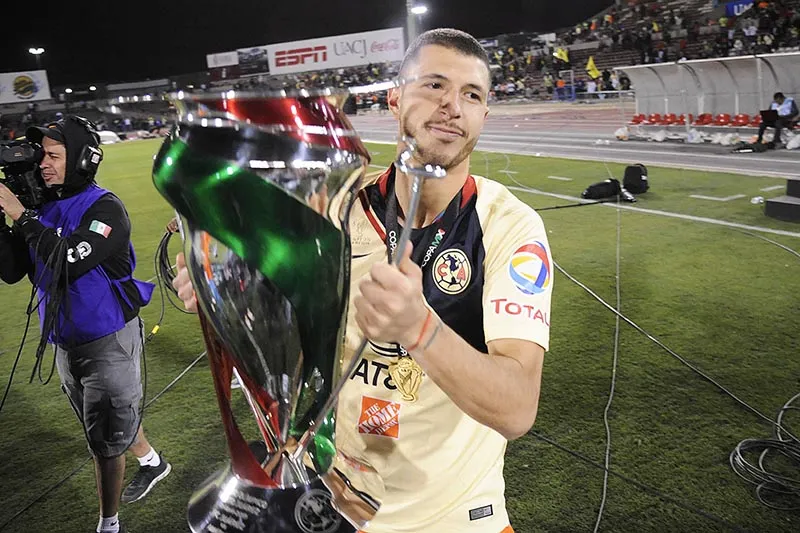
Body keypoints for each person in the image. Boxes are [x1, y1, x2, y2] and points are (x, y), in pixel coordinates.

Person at [173, 28, 552, 533]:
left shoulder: (510, 225)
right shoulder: (334, 210)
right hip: (330, 508)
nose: (452, 107)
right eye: (434, 86)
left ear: (485, 113)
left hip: (457, 520)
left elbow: (517, 408)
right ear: (395, 99)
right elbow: (279, 325)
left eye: (472, 95)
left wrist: (420, 329)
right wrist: (222, 289)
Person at [0, 116, 171, 533]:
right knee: (106, 421)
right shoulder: (43, 208)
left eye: (54, 156)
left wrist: (21, 217)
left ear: (81, 159)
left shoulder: (104, 207)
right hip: (63, 338)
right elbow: (11, 270)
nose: (43, 164)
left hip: (108, 337)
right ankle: (153, 462)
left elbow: (66, 259)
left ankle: (108, 524)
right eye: (42, 155)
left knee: (103, 439)